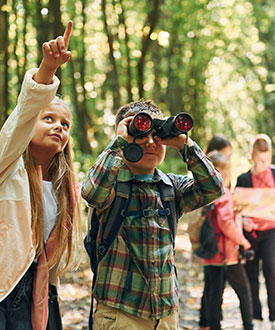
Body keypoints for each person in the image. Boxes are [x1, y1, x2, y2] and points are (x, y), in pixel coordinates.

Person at [81, 100, 224, 329]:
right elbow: (92, 193)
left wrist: (184, 144)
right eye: (140, 134)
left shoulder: (171, 188)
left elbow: (214, 188)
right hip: (120, 312)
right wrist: (118, 143)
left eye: (156, 135)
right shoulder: (112, 185)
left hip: (165, 313)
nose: (149, 142)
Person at [0, 21, 81, 330]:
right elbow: (22, 115)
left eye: (65, 124)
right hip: (5, 291)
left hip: (42, 293)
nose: (59, 127)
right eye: (48, 118)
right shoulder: (7, 168)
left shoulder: (66, 188)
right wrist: (48, 69)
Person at [236, 134, 275, 330]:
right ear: (252, 156)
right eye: (261, 160)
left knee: (271, 269)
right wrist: (243, 220)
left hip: (271, 230)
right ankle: (256, 317)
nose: (265, 163)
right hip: (250, 234)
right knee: (251, 273)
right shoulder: (243, 179)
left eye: (268, 159)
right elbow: (236, 209)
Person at [199, 151, 253, 330]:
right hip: (227, 254)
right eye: (227, 173)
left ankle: (214, 326)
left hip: (210, 251)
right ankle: (248, 326)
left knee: (215, 294)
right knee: (244, 291)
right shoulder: (224, 194)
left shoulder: (205, 193)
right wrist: (243, 242)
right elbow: (225, 223)